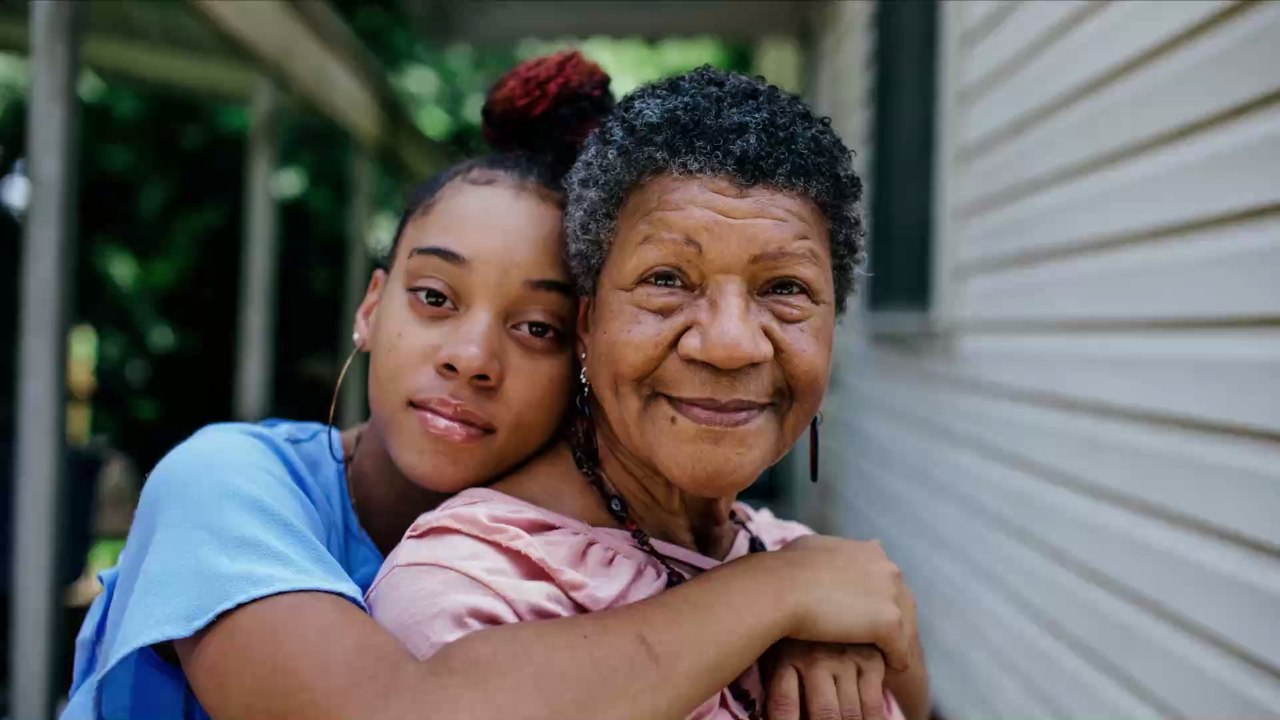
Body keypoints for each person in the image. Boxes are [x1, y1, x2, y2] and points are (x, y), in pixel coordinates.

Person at [62, 54, 918, 720]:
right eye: (435, 298)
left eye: (535, 327)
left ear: (582, 343)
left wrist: (829, 624)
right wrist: (783, 592)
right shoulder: (231, 486)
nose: (472, 357)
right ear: (371, 307)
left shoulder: (680, 542)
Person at [368, 67, 931, 720]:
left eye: (785, 288)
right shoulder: (474, 585)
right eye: (667, 278)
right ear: (587, 325)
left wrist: (839, 616)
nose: (730, 344)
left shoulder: (812, 565)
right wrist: (782, 595)